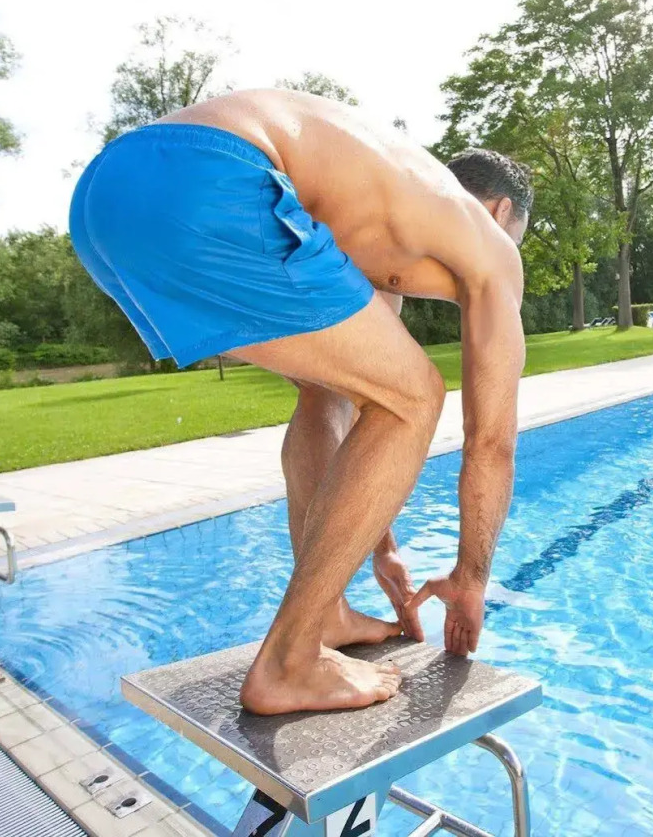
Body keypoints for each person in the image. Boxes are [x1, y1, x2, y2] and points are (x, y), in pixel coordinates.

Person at [69, 89, 530, 714]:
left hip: (109, 193)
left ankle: (328, 615)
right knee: (417, 397)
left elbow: (343, 401)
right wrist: (471, 578)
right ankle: (290, 661)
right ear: (501, 212)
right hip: (211, 178)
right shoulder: (491, 245)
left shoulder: (385, 201)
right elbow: (492, 442)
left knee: (340, 395)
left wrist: (382, 547)